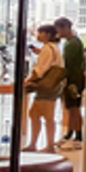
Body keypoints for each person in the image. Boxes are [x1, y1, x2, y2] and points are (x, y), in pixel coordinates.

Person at [24, 23, 65, 153]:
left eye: (40, 32)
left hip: (45, 88)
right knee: (44, 115)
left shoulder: (48, 48)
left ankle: (42, 145)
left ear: (47, 35)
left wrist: (28, 80)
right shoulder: (54, 48)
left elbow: (41, 69)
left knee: (38, 114)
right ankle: (45, 144)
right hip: (53, 87)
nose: (38, 35)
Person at [56, 17, 86, 149]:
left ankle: (78, 135)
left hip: (73, 79)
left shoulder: (73, 44)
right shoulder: (72, 42)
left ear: (65, 28)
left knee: (74, 108)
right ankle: (71, 133)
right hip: (75, 78)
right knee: (71, 107)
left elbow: (70, 64)